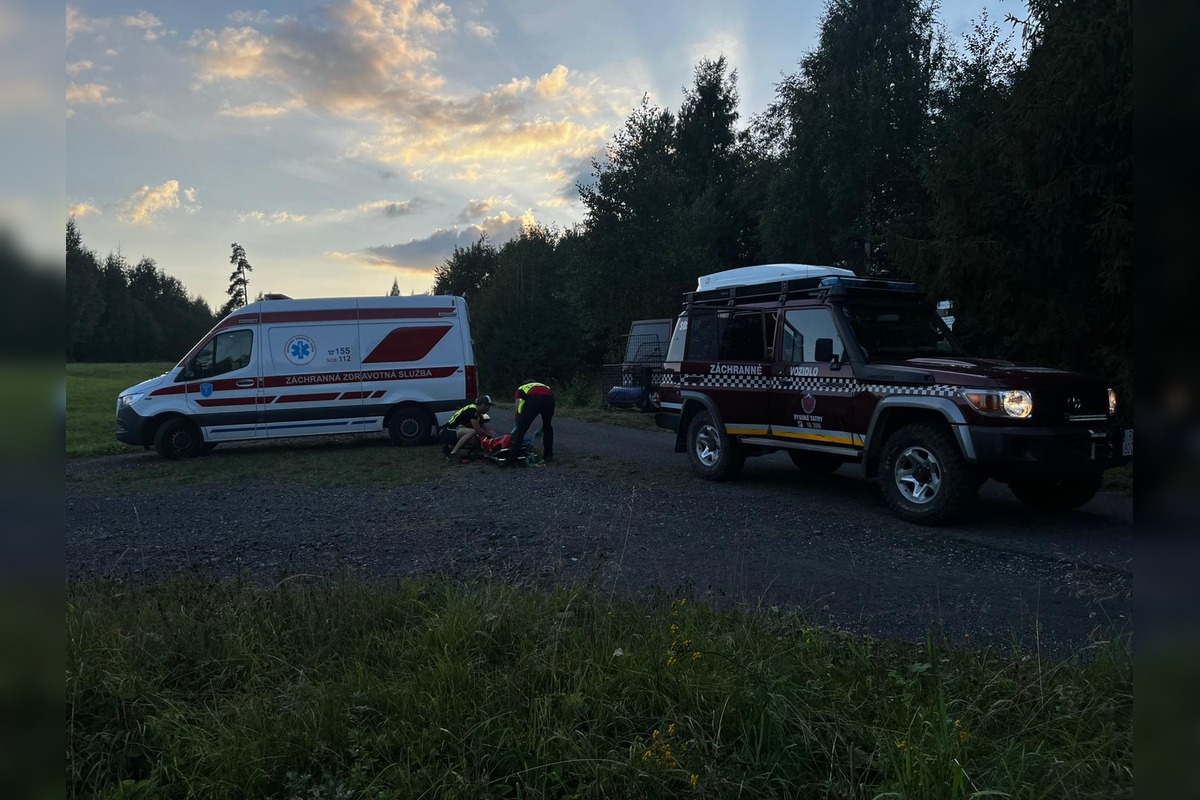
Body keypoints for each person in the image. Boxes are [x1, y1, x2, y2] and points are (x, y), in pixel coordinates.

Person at [508, 381, 554, 464]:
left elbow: (518, 407)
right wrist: (542, 428)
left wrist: (518, 425)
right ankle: (548, 455)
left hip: (535, 399)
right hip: (550, 399)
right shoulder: (544, 385)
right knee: (548, 427)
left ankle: (512, 458)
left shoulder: (521, 388)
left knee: (522, 429)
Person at [441, 395, 496, 463]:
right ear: (482, 404)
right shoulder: (473, 410)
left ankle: (449, 448)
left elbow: (488, 429)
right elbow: (477, 429)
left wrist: (496, 437)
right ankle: (453, 454)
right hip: (447, 430)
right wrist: (489, 436)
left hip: (452, 432)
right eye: (488, 406)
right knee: (471, 432)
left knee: (476, 441)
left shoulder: (478, 414)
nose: (488, 409)